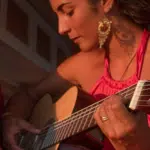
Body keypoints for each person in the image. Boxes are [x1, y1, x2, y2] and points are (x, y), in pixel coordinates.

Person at [1, 0, 150, 149]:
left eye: (68, 11)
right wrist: (10, 117)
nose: (61, 29)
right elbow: (28, 93)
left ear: (105, 2)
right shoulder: (82, 65)